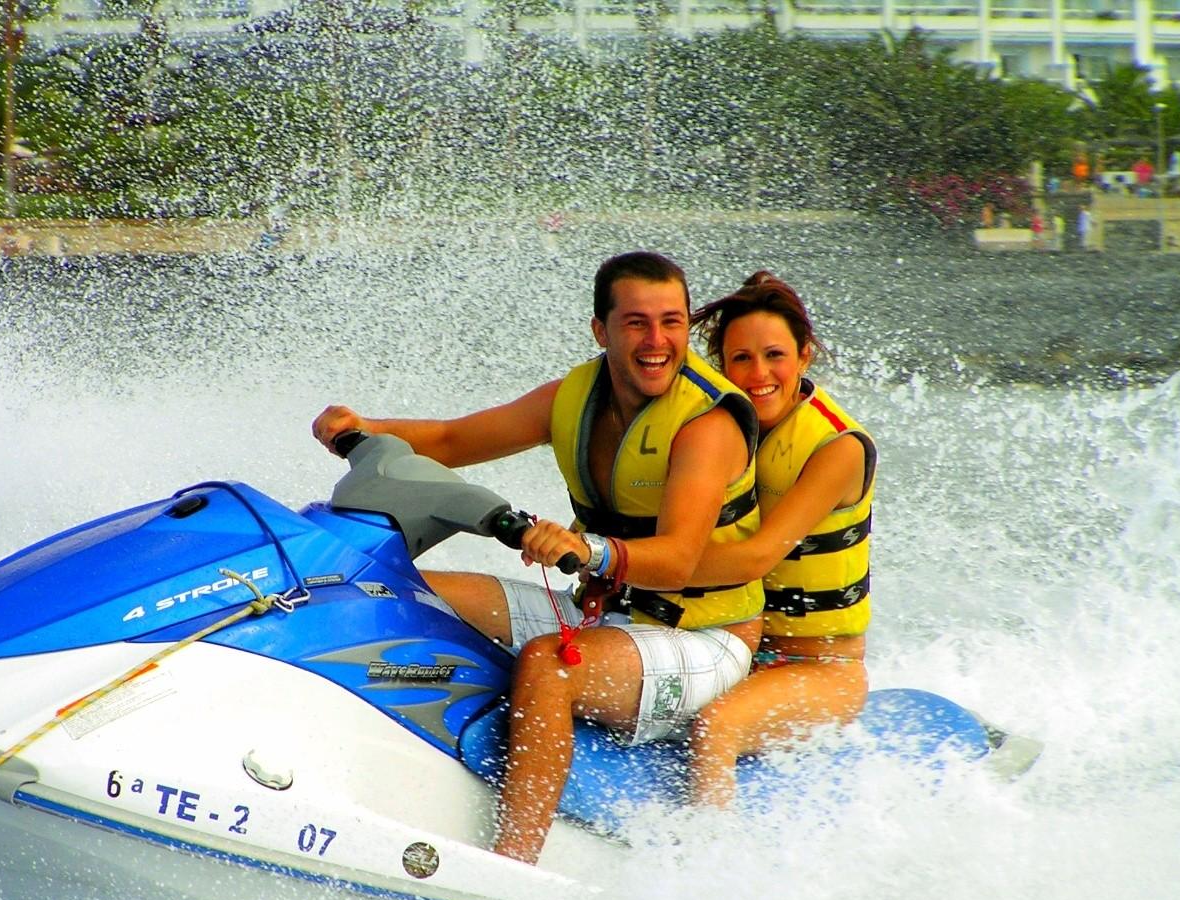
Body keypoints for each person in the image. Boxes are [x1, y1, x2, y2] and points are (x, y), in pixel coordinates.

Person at [311, 252, 764, 863]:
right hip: (603, 615)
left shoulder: (708, 424)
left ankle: (512, 863)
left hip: (702, 637)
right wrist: (365, 426)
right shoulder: (576, 396)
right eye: (636, 323)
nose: (657, 341)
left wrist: (587, 548)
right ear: (601, 331)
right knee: (396, 587)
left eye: (672, 322)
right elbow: (450, 440)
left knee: (548, 667)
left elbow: (680, 560)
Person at [683, 272, 875, 807]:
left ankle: (708, 866)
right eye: (740, 359)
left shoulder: (838, 448)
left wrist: (625, 564)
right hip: (734, 646)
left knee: (714, 727)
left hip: (822, 670)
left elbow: (760, 555)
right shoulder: (715, 427)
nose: (758, 374)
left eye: (774, 356)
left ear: (804, 356)